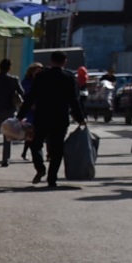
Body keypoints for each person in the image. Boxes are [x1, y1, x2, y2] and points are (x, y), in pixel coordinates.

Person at [21, 51, 85, 188]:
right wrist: (80, 118)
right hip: (60, 118)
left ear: (51, 61)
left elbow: (31, 97)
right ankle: (52, 179)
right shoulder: (68, 77)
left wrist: (20, 116)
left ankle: (40, 167)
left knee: (35, 144)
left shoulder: (41, 76)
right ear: (65, 61)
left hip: (42, 117)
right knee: (57, 150)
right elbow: (74, 100)